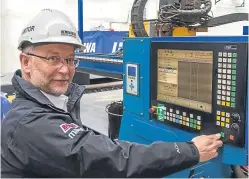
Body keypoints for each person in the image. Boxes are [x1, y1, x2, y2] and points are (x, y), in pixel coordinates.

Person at [1, 9, 223, 178]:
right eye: (53, 58)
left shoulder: (51, 103)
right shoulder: (30, 122)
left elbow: (88, 145)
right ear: (26, 62)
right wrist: (191, 151)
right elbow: (108, 158)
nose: (65, 69)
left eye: (69, 59)